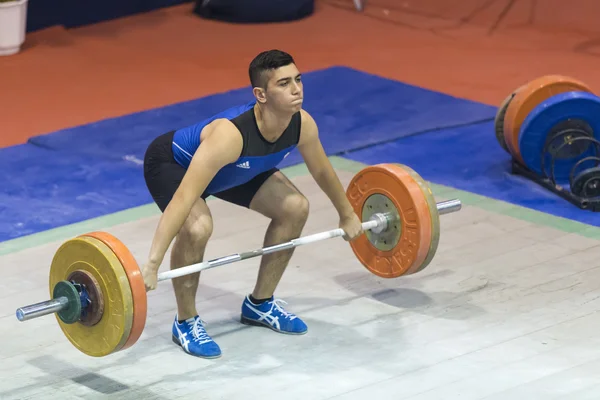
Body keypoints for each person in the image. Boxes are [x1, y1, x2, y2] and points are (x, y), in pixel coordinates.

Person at [141, 49, 363, 359]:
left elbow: (322, 170)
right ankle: (186, 322)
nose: (296, 89)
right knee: (198, 226)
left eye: (298, 79)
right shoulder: (229, 135)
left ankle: (259, 304)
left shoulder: (302, 124)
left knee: (295, 207)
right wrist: (152, 265)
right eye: (283, 84)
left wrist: (347, 213)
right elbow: (183, 199)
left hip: (236, 167)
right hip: (173, 165)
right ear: (260, 94)